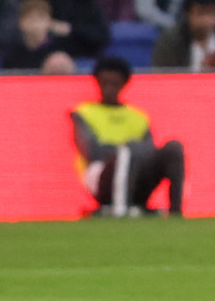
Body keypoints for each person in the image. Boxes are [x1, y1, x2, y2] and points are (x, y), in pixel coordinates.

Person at [72, 57, 187, 217]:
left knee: (173, 148)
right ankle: (120, 209)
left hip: (137, 174)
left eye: (114, 84)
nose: (109, 88)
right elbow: (92, 151)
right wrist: (126, 148)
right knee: (129, 150)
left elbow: (150, 151)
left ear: (123, 84)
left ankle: (175, 212)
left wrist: (130, 149)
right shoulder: (84, 113)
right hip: (102, 176)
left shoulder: (138, 117)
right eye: (105, 83)